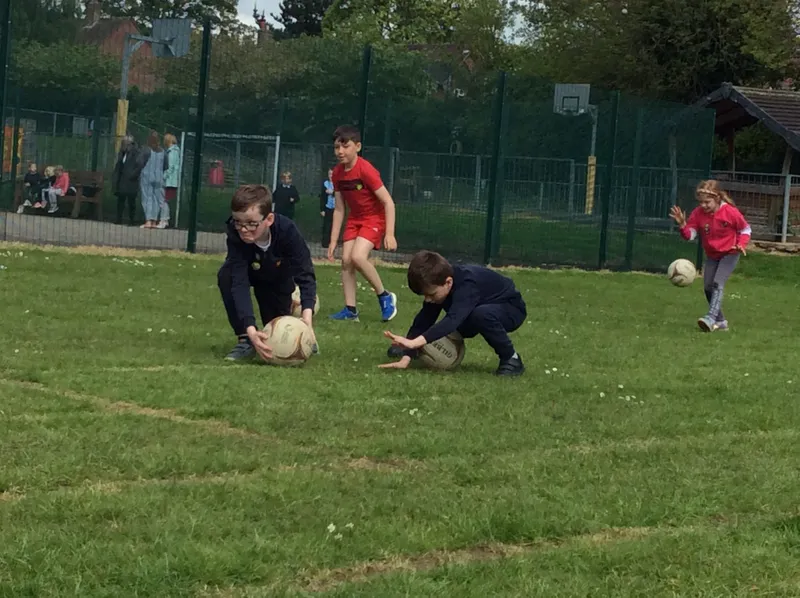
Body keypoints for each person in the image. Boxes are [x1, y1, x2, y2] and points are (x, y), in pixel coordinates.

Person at [381, 250, 527, 377]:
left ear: (448, 282)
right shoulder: (439, 283)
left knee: (480, 314)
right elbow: (424, 320)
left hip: (510, 309)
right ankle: (416, 352)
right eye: (424, 295)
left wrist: (414, 342)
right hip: (474, 311)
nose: (428, 299)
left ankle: (511, 359)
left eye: (431, 294)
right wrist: (407, 354)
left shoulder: (467, 284)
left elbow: (452, 320)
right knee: (450, 318)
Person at [218, 184, 318, 362]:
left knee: (276, 330)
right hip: (250, 273)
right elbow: (239, 282)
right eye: (238, 222)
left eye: (251, 223)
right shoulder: (235, 235)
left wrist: (307, 319)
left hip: (276, 278)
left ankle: (301, 335)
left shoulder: (287, 231)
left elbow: (305, 274)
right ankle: (245, 341)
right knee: (226, 276)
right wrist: (249, 329)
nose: (243, 229)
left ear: (269, 219)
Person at [327, 125, 398, 322]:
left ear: (357, 146)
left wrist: (389, 233)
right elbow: (340, 208)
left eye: (345, 146)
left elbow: (388, 202)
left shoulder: (366, 170)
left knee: (358, 257)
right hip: (355, 220)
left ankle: (385, 296)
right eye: (336, 147)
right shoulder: (337, 173)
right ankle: (350, 311)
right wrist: (333, 240)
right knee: (346, 261)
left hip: (373, 219)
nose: (340, 151)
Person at [670, 179, 750, 332]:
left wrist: (741, 244)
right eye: (701, 202)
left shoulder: (730, 212)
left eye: (707, 202)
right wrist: (682, 225)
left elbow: (745, 229)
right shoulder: (698, 214)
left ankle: (711, 318)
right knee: (708, 287)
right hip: (713, 255)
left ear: (717, 199)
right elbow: (690, 235)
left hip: (730, 253)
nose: (703, 205)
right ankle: (721, 321)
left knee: (717, 283)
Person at [112, 135, 147, 225]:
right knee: (120, 200)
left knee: (131, 201)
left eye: (125, 143)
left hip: (131, 180)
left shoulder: (136, 153)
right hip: (122, 179)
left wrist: (133, 175)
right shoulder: (122, 153)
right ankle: (118, 219)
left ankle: (132, 220)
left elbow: (139, 165)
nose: (123, 145)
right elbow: (119, 165)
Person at [139, 131, 167, 229]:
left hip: (147, 176)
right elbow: (165, 165)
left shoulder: (146, 150)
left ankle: (148, 221)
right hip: (159, 177)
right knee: (156, 200)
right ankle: (154, 221)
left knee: (147, 198)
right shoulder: (163, 151)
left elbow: (140, 162)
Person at [161, 133, 181, 229]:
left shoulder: (172, 152)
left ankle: (164, 220)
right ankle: (164, 220)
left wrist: (163, 176)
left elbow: (171, 167)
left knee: (164, 200)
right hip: (170, 181)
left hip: (170, 181)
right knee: (165, 200)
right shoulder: (173, 151)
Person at [319, 167, 335, 245]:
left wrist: (333, 192)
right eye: (330, 174)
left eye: (332, 174)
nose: (331, 176)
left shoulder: (338, 184)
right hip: (327, 207)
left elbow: (341, 195)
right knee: (326, 225)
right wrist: (322, 209)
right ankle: (325, 242)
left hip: (336, 208)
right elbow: (322, 197)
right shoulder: (325, 184)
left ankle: (333, 242)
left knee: (334, 225)